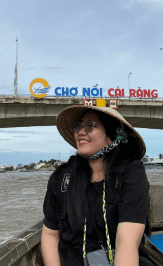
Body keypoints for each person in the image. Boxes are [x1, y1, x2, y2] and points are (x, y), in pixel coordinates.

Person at [42, 105, 154, 266]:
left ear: (112, 135)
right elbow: (50, 234)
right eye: (78, 125)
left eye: (90, 125)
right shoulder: (62, 178)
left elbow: (127, 242)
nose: (81, 131)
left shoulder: (130, 173)